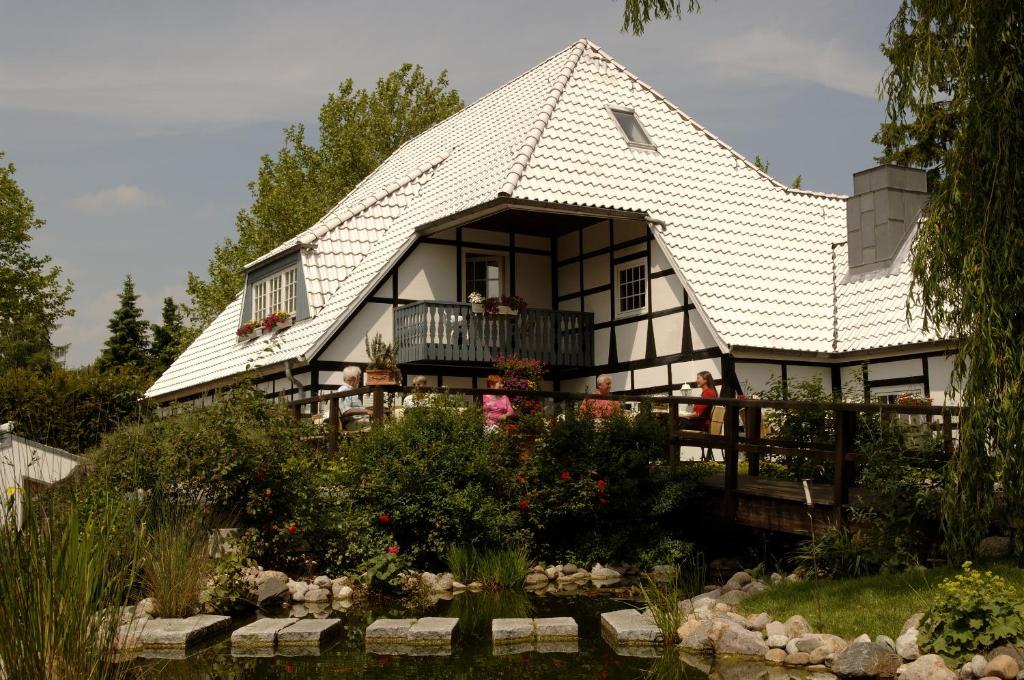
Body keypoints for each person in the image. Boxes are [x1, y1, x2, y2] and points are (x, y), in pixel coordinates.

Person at [321, 365, 372, 430]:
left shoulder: (349, 390)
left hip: (358, 421)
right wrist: (366, 411)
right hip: (352, 423)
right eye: (359, 378)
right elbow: (346, 411)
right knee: (379, 427)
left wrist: (368, 410)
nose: (359, 381)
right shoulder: (344, 390)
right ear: (354, 378)